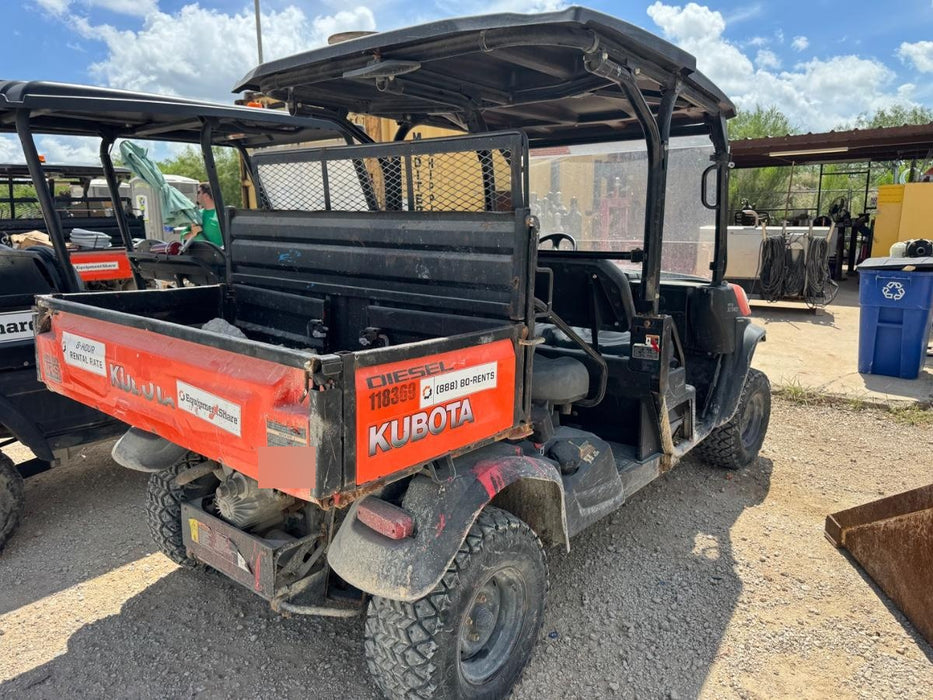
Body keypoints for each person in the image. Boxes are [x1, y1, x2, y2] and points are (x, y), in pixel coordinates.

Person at [185, 183, 223, 247]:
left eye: (198, 192)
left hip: (217, 256)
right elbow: (184, 236)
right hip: (197, 255)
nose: (196, 195)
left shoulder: (223, 215)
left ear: (206, 196)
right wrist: (192, 233)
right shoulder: (195, 215)